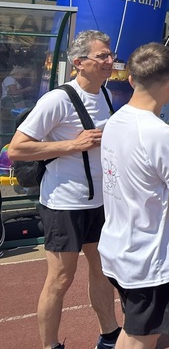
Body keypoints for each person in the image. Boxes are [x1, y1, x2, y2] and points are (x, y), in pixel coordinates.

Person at [8, 30, 120, 349]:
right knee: (61, 278)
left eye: (110, 54)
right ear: (79, 62)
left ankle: (109, 335)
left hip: (99, 202)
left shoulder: (106, 94)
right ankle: (50, 345)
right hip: (64, 203)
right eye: (102, 56)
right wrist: (73, 144)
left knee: (102, 269)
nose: (110, 60)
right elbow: (17, 149)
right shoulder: (57, 99)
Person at [98, 42, 169, 349]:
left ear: (131, 79)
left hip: (116, 246)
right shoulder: (161, 134)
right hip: (148, 256)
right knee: (140, 338)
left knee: (132, 329)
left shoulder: (114, 121)